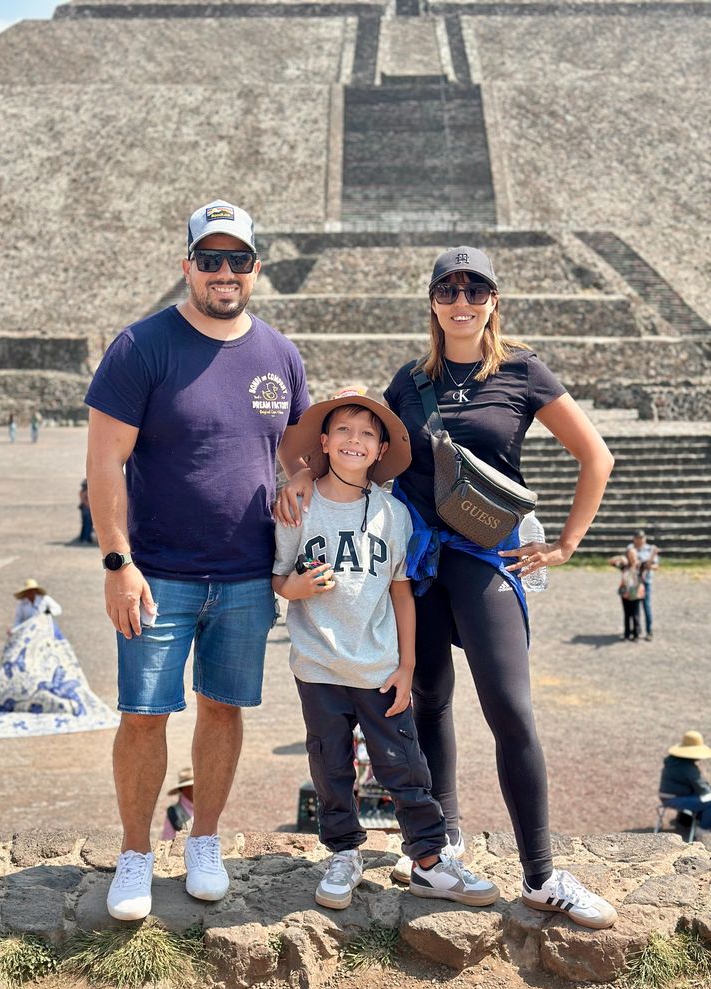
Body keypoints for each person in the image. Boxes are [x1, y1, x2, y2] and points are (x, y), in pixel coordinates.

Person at [277, 246, 618, 929]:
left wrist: (566, 544)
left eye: (476, 288)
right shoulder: (410, 379)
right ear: (432, 301)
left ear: (494, 299)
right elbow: (362, 442)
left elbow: (595, 454)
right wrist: (305, 476)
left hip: (487, 562)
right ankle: (442, 848)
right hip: (421, 566)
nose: (462, 301)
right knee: (428, 699)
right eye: (448, 289)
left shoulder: (522, 369)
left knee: (510, 709)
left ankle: (542, 873)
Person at [85, 198, 310, 921]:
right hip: (158, 571)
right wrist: (117, 562)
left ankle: (203, 840)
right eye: (208, 259)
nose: (223, 272)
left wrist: (299, 483)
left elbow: (300, 449)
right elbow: (105, 462)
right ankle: (134, 851)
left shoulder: (279, 353)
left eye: (236, 260)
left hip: (245, 572)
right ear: (186, 265)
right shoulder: (141, 345)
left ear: (255, 269)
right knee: (144, 713)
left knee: (224, 707)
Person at [275, 389, 499, 910]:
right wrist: (296, 591)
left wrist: (408, 664)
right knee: (330, 763)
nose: (355, 441)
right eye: (345, 431)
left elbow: (401, 589)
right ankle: (343, 853)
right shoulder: (297, 506)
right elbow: (280, 577)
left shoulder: (393, 515)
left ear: (380, 452)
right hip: (318, 664)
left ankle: (429, 858)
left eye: (368, 434)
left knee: (402, 762)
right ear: (324, 442)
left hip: (378, 664)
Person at [658, 730, 711, 831]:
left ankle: (688, 820)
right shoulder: (688, 767)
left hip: (666, 795)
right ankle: (703, 829)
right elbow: (703, 789)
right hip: (674, 799)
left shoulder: (673, 760)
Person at [626, 529, 659, 641]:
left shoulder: (650, 549)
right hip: (634, 582)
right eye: (638, 538)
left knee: (646, 606)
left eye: (642, 538)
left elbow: (655, 566)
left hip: (646, 582)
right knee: (634, 609)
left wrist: (649, 565)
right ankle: (636, 630)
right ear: (634, 539)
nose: (640, 541)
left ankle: (649, 631)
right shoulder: (631, 548)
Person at [609, 548, 644, 641]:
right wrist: (620, 557)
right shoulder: (625, 566)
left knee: (636, 615)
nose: (632, 557)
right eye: (630, 555)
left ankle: (636, 634)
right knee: (627, 615)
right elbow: (610, 562)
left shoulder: (640, 565)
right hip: (625, 593)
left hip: (636, 594)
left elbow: (650, 565)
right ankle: (627, 634)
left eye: (633, 554)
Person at [160, 767, 195, 842]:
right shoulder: (174, 813)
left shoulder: (204, 810)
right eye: (193, 786)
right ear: (184, 788)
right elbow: (167, 841)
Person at [78, 479, 93, 544]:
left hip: (84, 509)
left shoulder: (81, 491)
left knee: (85, 524)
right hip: (87, 509)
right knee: (88, 525)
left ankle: (83, 537)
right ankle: (86, 539)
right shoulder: (86, 492)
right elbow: (86, 502)